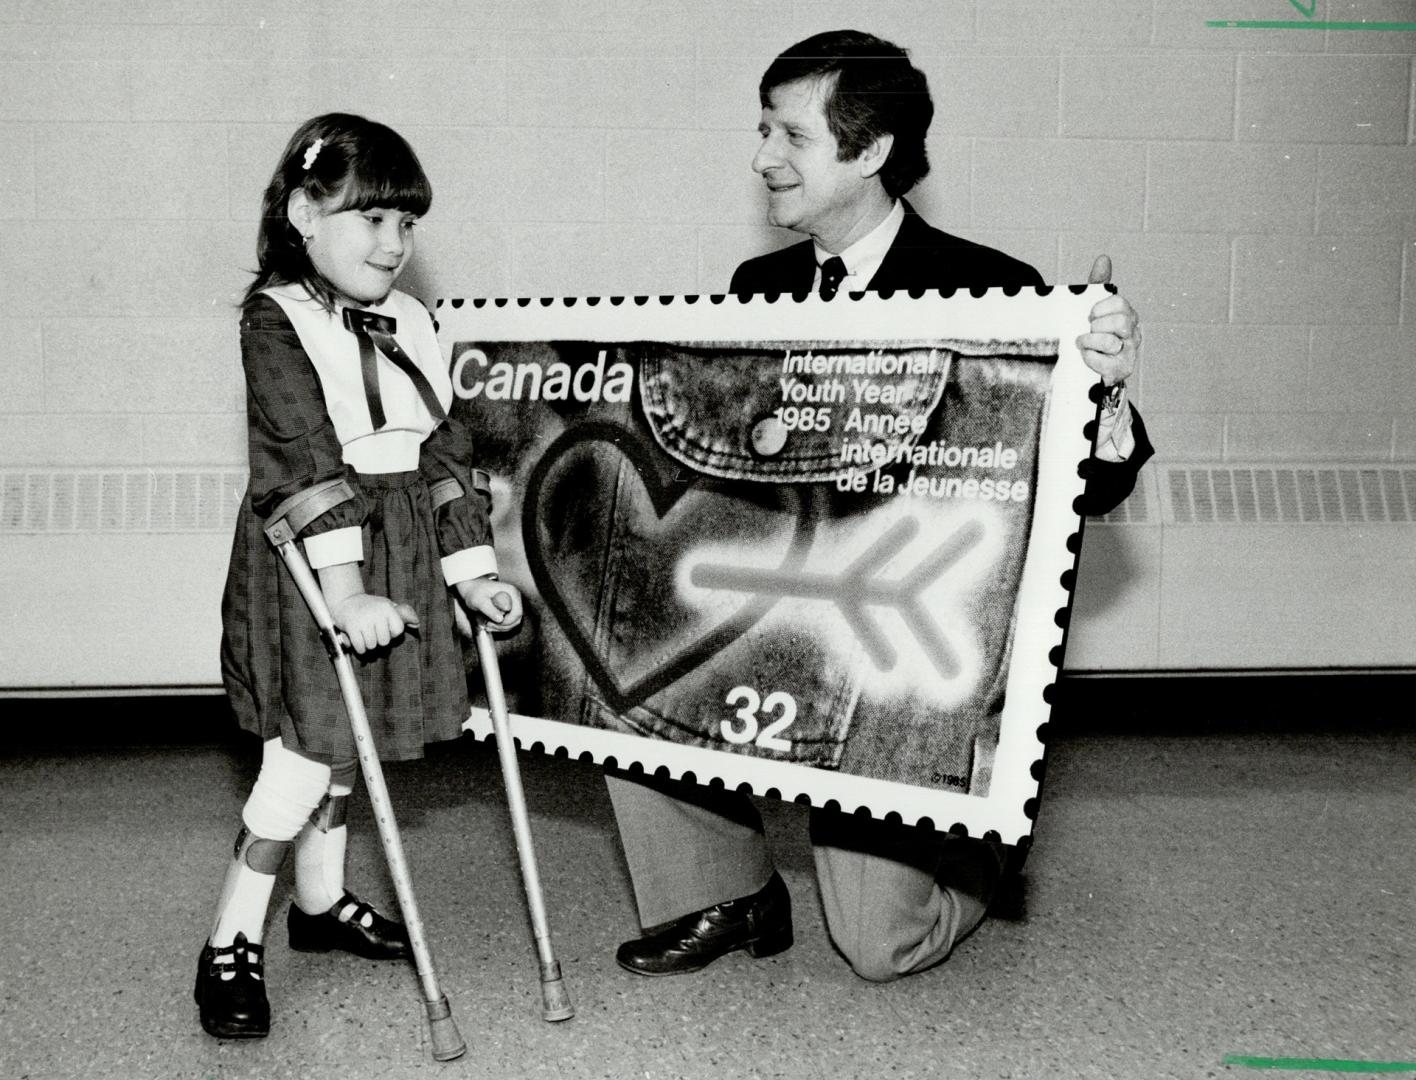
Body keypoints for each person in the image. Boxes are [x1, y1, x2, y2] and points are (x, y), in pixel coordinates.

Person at [606, 29, 1154, 983]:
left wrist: (1105, 390)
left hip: (902, 651)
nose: (762, 157)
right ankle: (726, 893)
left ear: (869, 154)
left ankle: (978, 848)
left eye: (790, 135)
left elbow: (1095, 487)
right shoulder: (756, 290)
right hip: (781, 605)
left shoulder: (998, 292)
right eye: (762, 128)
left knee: (875, 947)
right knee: (619, 644)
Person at [198, 112, 523, 1039]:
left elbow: (446, 454)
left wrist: (470, 574)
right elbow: (302, 460)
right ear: (303, 210)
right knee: (302, 757)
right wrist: (345, 592)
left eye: (407, 224)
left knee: (352, 748)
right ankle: (228, 942)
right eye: (370, 218)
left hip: (405, 547)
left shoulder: (415, 319)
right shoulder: (278, 318)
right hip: (317, 556)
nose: (394, 243)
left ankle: (321, 903)